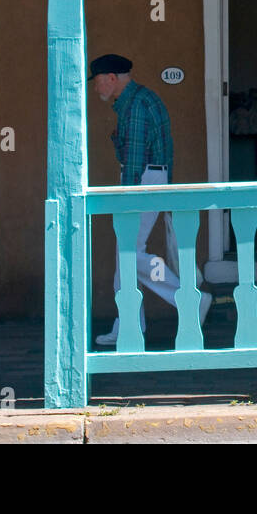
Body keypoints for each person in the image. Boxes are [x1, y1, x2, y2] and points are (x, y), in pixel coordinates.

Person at [89, 53, 210, 346]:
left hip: (142, 180)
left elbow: (133, 160)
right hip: (149, 178)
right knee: (126, 253)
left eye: (98, 83)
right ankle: (130, 322)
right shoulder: (136, 101)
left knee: (129, 252)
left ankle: (188, 300)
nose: (96, 89)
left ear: (111, 78)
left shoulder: (137, 105)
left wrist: (126, 197)